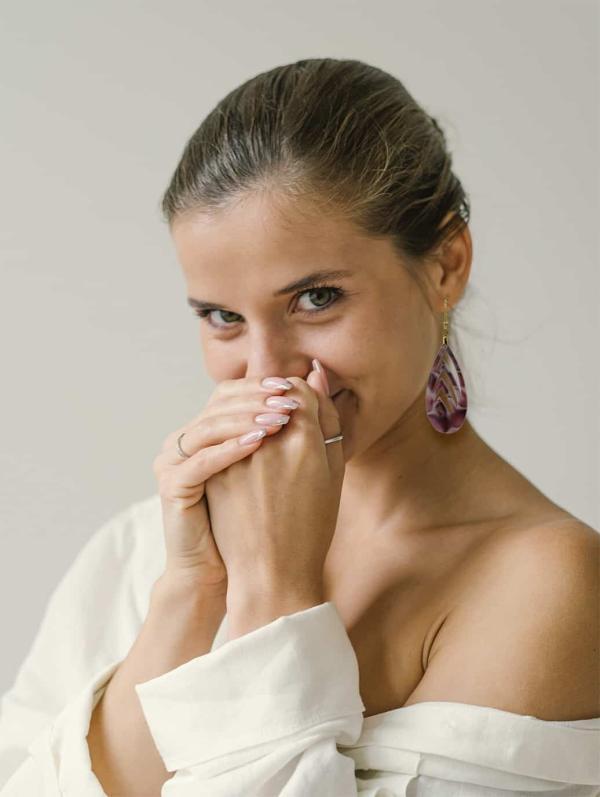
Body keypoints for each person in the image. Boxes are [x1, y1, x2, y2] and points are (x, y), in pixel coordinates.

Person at [1, 57, 599, 796]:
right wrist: (192, 591)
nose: (268, 372)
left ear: (447, 263)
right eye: (222, 317)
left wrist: (274, 593)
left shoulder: (544, 584)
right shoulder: (138, 550)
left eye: (316, 298)